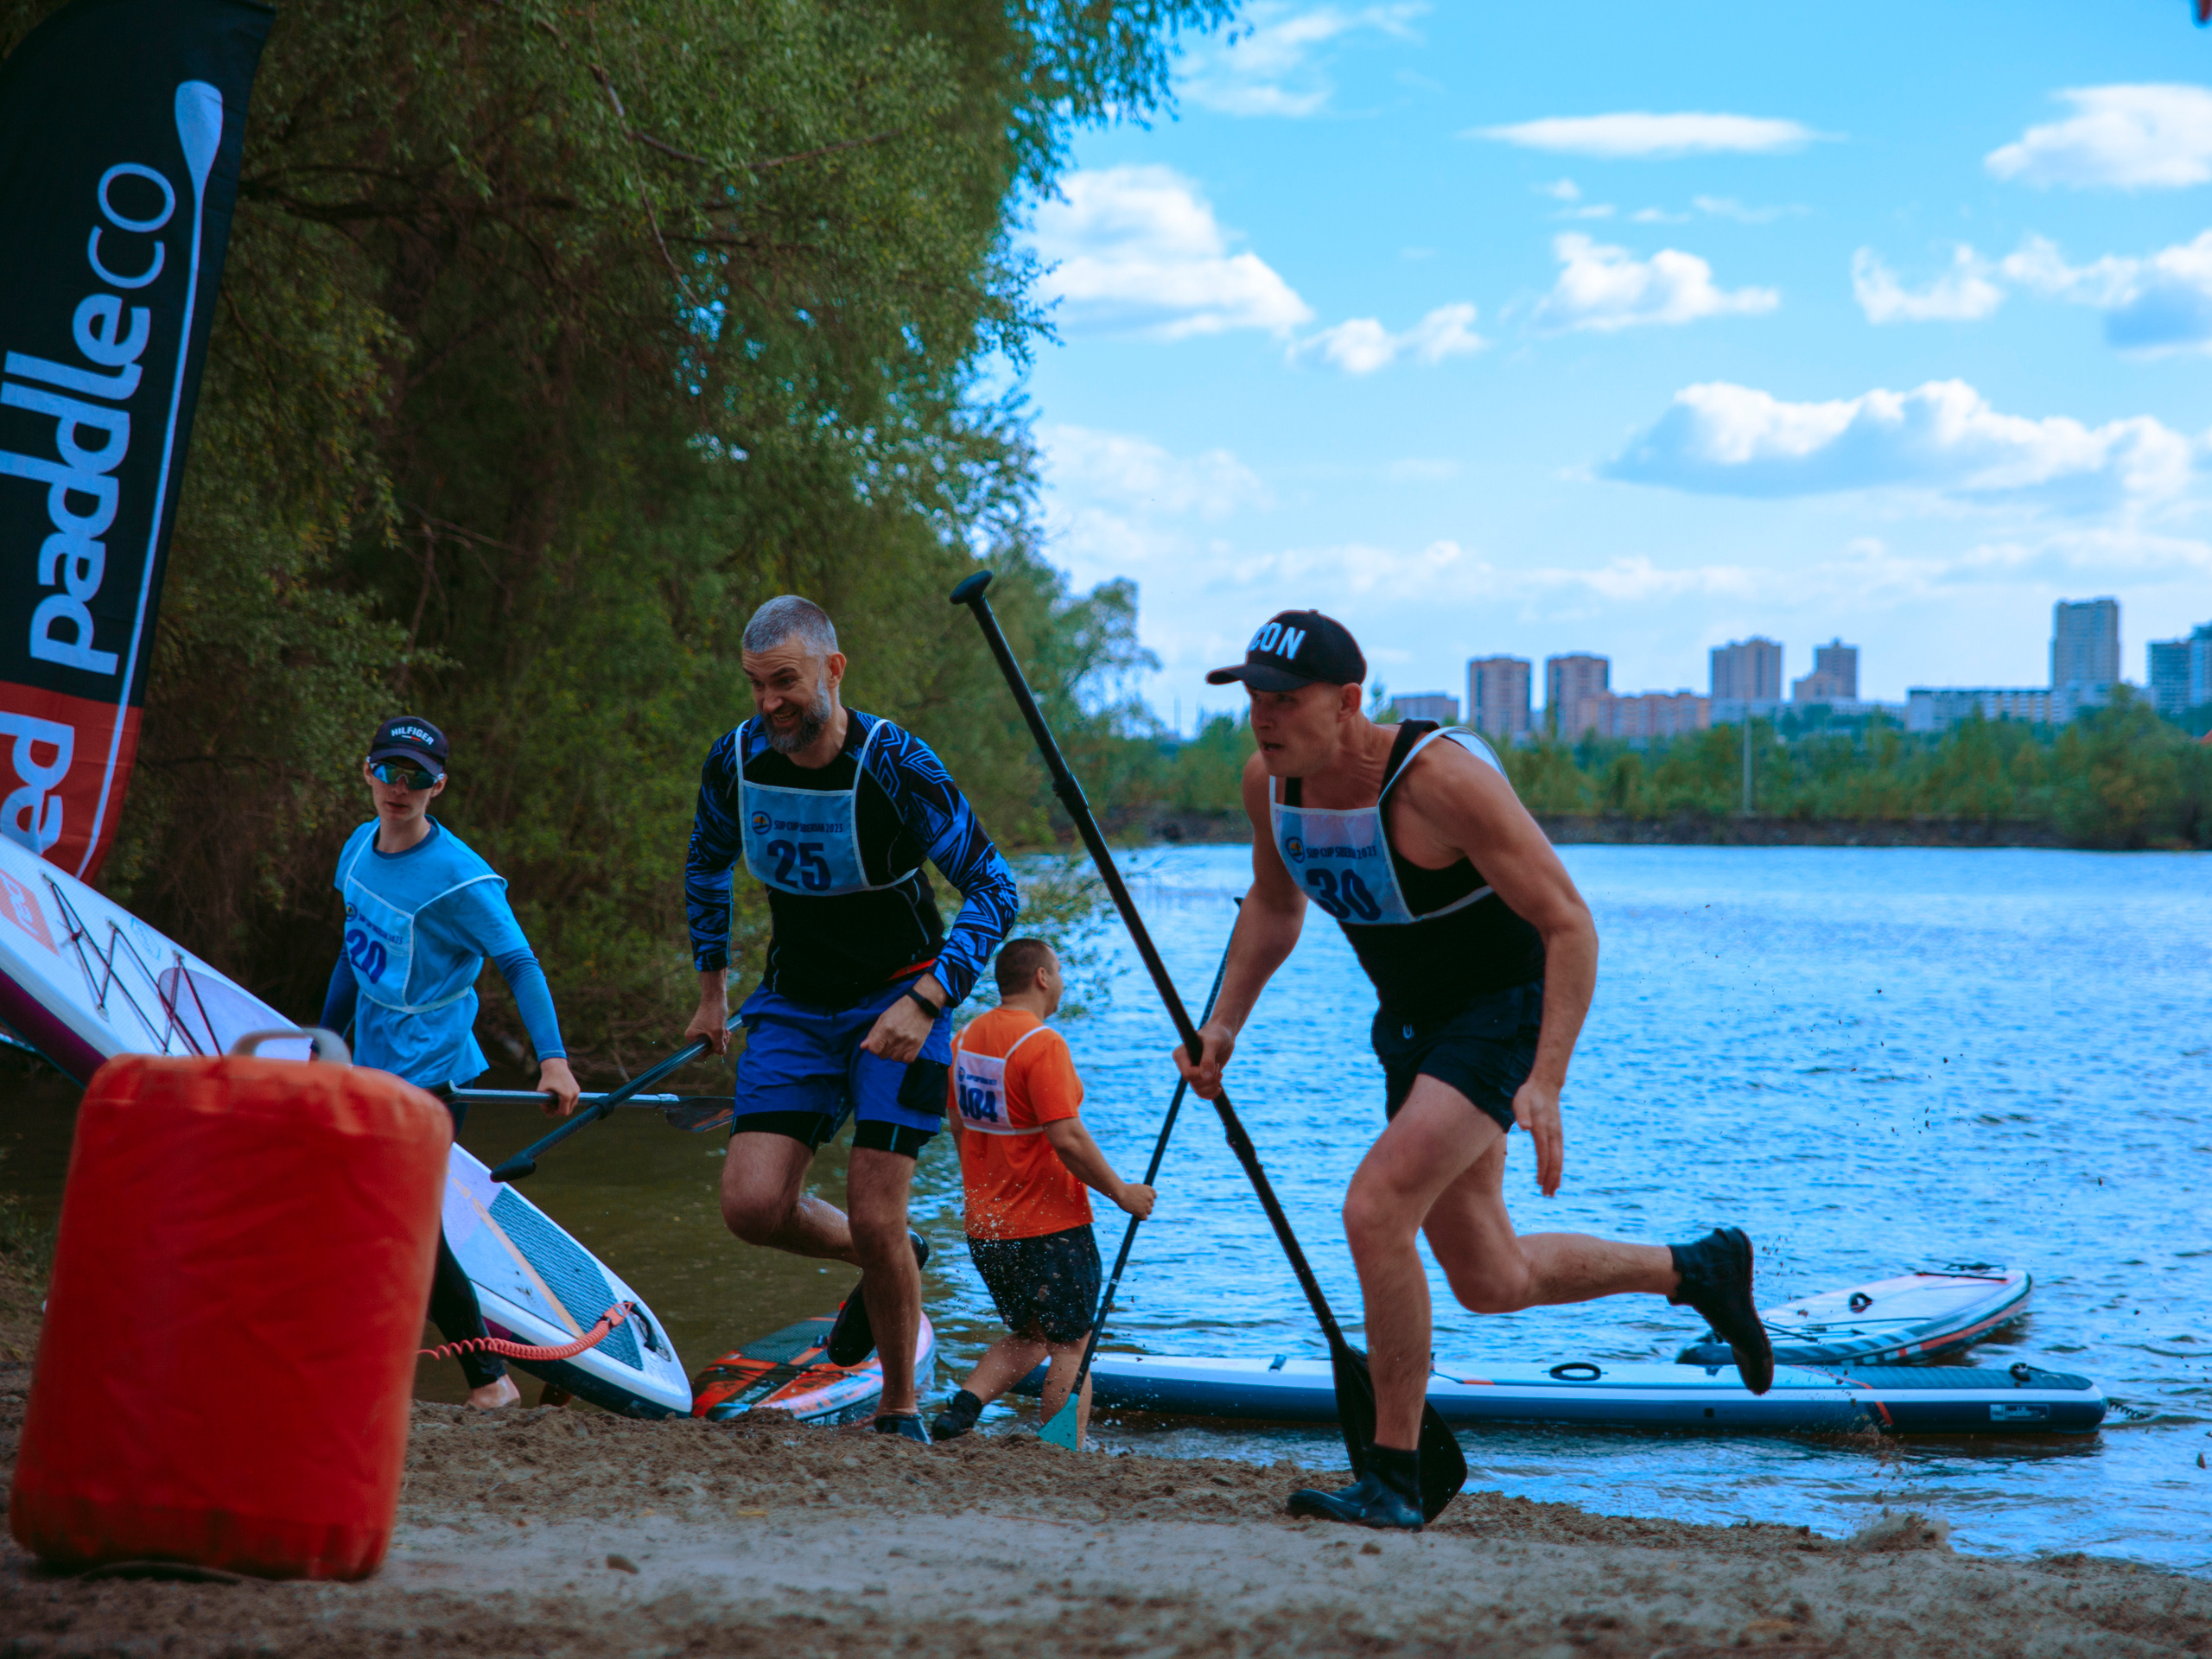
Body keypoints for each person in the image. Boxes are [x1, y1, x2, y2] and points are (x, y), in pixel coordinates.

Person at [1173, 611, 1774, 1530]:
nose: (1262, 715)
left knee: (1375, 1208)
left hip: (1503, 1015)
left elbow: (1570, 923)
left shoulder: (1441, 781)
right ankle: (1698, 1270)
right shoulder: (1271, 784)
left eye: (1285, 698)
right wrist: (1222, 1023)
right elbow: (1273, 905)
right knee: (1489, 1278)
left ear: (1348, 700)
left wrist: (1545, 1080)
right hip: (1413, 1028)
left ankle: (1395, 1476)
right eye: (1253, 694)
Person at [683, 594, 1019, 1443]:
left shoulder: (896, 763)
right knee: (751, 1206)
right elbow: (706, 863)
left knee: (875, 1211)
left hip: (901, 998)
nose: (769, 704)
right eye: (756, 685)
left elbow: (994, 887)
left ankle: (898, 1409)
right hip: (794, 1006)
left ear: (833, 670)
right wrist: (712, 991)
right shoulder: (734, 761)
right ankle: (888, 1254)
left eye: (785, 682)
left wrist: (928, 999)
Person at [320, 714, 582, 1411]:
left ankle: (490, 1382)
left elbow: (519, 963)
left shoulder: (462, 879)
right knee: (364, 1211)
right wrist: (325, 1041)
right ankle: (380, 1356)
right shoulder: (357, 850)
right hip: (372, 1059)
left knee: (404, 1221)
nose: (399, 787)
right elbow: (353, 953)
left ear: (438, 786)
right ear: (367, 772)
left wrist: (553, 1061)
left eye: (417, 777)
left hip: (434, 1068)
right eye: (388, 771)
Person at [930, 939, 1154, 1446]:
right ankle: (1060, 1451)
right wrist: (1122, 1193)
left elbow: (959, 1124)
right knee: (1072, 1344)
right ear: (1042, 977)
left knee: (1033, 1335)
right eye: (1060, 971)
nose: (1063, 982)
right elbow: (1067, 1137)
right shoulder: (1042, 1043)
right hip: (1049, 1226)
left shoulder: (963, 1039)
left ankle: (961, 1411)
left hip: (988, 1226)